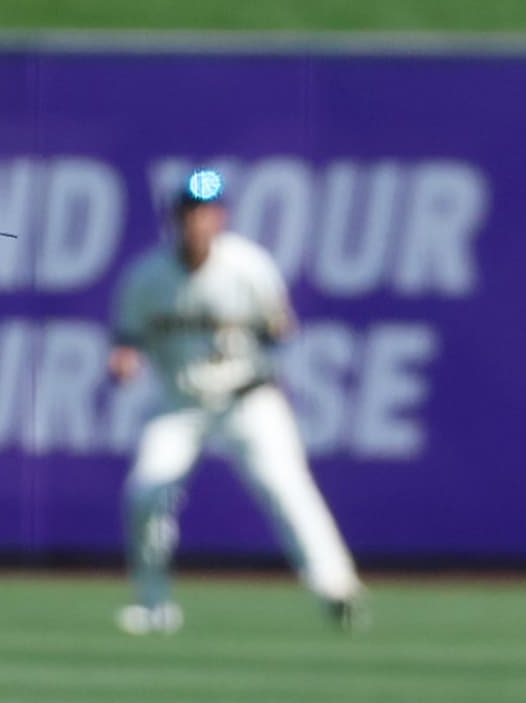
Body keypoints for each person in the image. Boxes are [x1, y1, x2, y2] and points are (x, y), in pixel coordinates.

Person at [105, 168, 365, 635]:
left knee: (287, 486)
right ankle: (153, 605)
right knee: (146, 493)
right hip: (179, 401)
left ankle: (337, 589)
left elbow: (279, 325)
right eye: (189, 212)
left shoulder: (248, 266)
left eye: (206, 212)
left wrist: (277, 328)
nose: (197, 221)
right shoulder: (147, 276)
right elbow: (127, 341)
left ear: (220, 217)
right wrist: (124, 362)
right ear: (174, 218)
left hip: (248, 397)